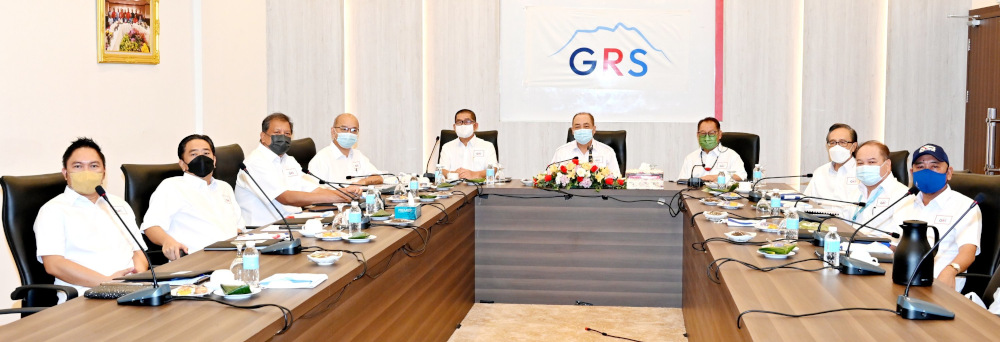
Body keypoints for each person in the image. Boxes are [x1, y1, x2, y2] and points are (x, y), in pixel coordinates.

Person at [33, 138, 148, 301]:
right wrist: (107, 283)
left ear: (104, 173)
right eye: (78, 166)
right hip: (85, 297)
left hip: (132, 291)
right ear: (65, 173)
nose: (86, 172)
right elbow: (54, 264)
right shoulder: (53, 210)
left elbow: (138, 252)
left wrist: (137, 277)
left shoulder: (118, 204)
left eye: (94, 166)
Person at [236, 113, 358, 226]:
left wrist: (343, 192)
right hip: (263, 231)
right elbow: (286, 197)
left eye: (287, 134)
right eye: (277, 133)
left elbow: (313, 190)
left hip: (292, 224)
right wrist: (338, 198)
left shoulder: (288, 160)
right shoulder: (255, 162)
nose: (282, 137)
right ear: (263, 136)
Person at [889, 143, 981, 292]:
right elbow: (893, 245)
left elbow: (968, 251)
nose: (927, 171)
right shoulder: (904, 202)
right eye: (920, 167)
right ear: (912, 173)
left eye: (934, 166)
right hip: (901, 279)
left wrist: (951, 270)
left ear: (949, 172)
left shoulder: (966, 206)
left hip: (940, 285)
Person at [140, 134, 244, 261]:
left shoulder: (224, 187)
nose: (201, 158)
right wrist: (167, 241)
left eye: (206, 153)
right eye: (194, 154)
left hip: (233, 258)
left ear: (214, 160)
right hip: (195, 261)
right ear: (183, 164)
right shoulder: (172, 187)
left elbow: (239, 226)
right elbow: (151, 226)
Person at [851, 140, 912, 235]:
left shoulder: (903, 196)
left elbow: (897, 239)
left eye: (871, 162)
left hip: (877, 248)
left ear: (887, 165)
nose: (864, 167)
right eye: (860, 163)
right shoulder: (854, 190)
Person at [308, 113, 384, 187]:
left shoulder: (358, 155)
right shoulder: (321, 160)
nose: (349, 133)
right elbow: (314, 193)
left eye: (354, 130)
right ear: (333, 131)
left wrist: (362, 182)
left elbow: (378, 177)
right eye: (344, 129)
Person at [804, 123, 861, 203]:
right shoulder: (820, 172)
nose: (837, 147)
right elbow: (807, 202)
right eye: (833, 142)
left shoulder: (861, 172)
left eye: (843, 142)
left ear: (854, 146)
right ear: (828, 146)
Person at [676, 117, 746, 182]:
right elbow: (682, 182)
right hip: (695, 194)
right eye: (703, 133)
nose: (707, 137)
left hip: (721, 194)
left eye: (711, 133)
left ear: (720, 134)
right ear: (698, 135)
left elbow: (741, 176)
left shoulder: (731, 155)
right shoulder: (690, 158)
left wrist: (716, 177)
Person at [551, 112, 621, 177]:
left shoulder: (607, 152)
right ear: (572, 130)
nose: (582, 130)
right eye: (577, 127)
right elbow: (551, 177)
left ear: (594, 129)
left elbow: (616, 179)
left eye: (586, 126)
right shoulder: (561, 152)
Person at [439, 109, 498, 180]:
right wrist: (454, 174)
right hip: (454, 189)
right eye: (459, 122)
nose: (463, 125)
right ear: (454, 127)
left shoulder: (487, 146)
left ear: (475, 126)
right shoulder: (447, 147)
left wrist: (474, 174)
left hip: (480, 189)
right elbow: (441, 170)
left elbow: (493, 170)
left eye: (467, 121)